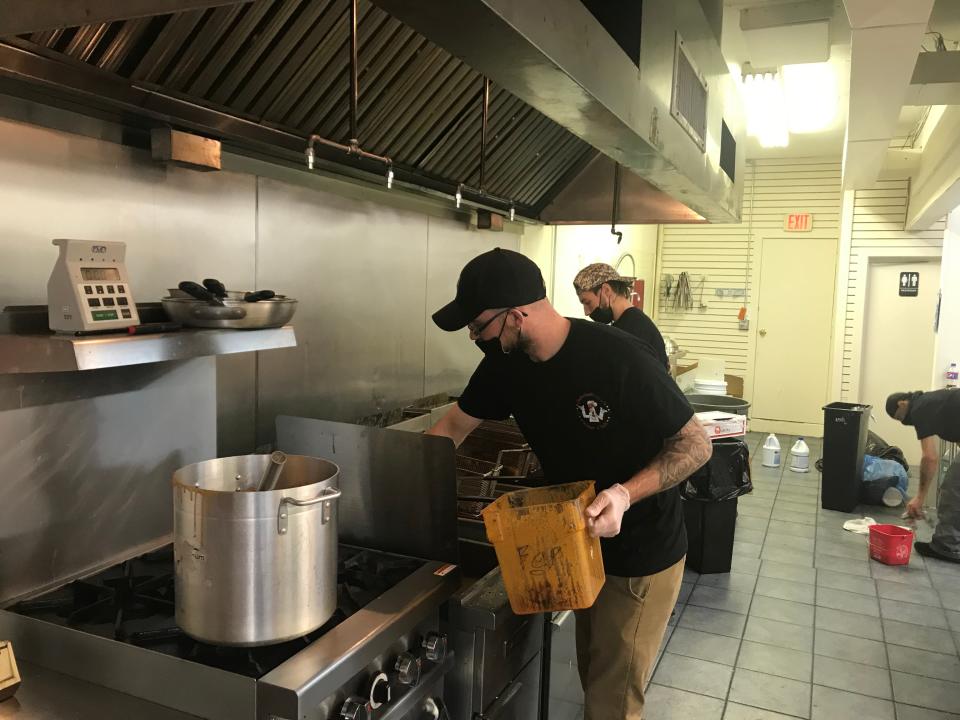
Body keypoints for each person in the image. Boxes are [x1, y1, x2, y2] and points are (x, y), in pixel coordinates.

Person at [427, 248, 712, 719]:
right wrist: (396, 481)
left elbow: (696, 444)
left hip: (641, 550)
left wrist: (623, 493)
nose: (475, 337)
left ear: (517, 314)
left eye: (479, 327)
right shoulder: (506, 363)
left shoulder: (618, 356)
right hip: (579, 542)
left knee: (611, 701)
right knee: (592, 674)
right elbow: (453, 428)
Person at [886, 389, 960, 563]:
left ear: (902, 403)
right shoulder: (931, 403)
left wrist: (919, 497)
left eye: (899, 417)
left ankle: (946, 546)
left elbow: (930, 457)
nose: (903, 422)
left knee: (953, 489)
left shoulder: (919, 408)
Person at [573, 263, 669, 370]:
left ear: (606, 291)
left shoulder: (630, 331)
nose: (586, 312)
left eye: (587, 302)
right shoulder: (635, 322)